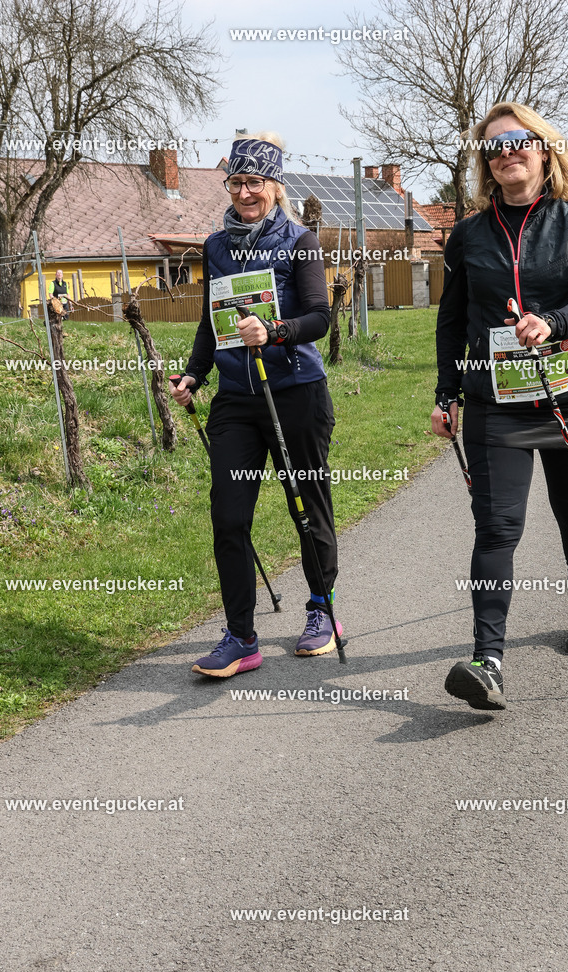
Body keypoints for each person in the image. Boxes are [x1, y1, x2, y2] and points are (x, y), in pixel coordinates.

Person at [431, 101, 568, 711]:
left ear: (543, 148)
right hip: (498, 403)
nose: (506, 151)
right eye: (493, 145)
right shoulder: (468, 233)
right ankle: (489, 660)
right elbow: (452, 320)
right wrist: (446, 393)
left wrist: (553, 323)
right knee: (498, 526)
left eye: (518, 140)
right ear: (485, 163)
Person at [169, 131, 341, 678]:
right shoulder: (216, 246)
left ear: (275, 186)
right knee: (229, 515)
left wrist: (275, 330)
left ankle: (322, 610)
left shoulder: (299, 242)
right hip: (237, 399)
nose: (245, 192)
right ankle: (241, 637)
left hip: (293, 391)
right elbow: (209, 319)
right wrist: (194, 374)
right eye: (237, 182)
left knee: (306, 504)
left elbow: (320, 316)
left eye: (256, 182)